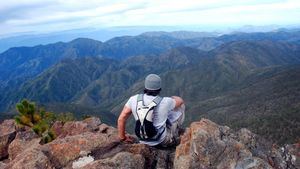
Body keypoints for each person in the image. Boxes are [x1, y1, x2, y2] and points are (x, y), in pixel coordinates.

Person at [117, 74, 185, 147]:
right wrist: (172, 98)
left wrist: (123, 138)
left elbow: (121, 119)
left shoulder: (133, 99)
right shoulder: (165, 101)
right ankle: (175, 134)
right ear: (159, 88)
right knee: (181, 106)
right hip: (162, 141)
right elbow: (180, 101)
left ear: (145, 87)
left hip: (142, 139)